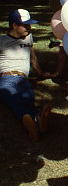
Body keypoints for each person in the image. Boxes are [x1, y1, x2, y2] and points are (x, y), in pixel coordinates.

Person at [0, 9, 52, 141]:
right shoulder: (2, 41)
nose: (29, 28)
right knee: (12, 98)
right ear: (14, 26)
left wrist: (40, 73)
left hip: (23, 79)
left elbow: (33, 58)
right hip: (6, 78)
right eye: (25, 25)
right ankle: (35, 118)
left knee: (29, 97)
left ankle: (34, 120)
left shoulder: (28, 37)